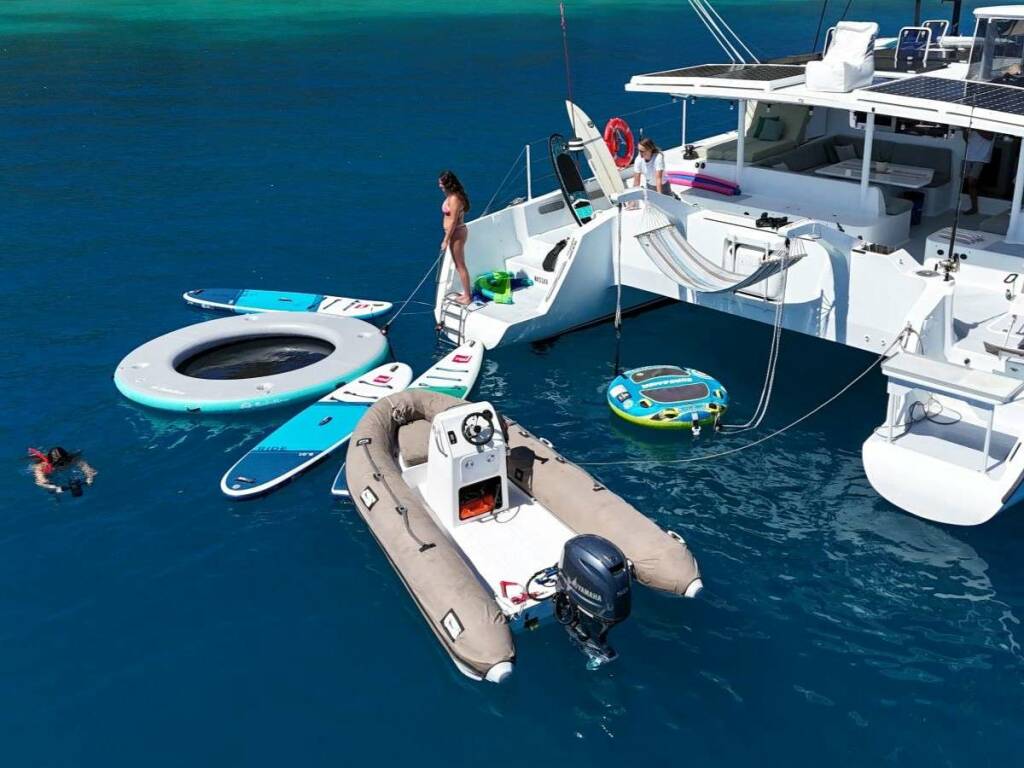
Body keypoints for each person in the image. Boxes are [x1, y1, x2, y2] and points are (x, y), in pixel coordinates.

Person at [439, 170, 472, 305]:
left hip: (456, 233)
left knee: (460, 265)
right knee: (459, 265)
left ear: (447, 184)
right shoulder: (451, 196)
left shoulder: (454, 199)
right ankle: (466, 294)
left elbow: (453, 221)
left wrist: (446, 239)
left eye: (441, 183)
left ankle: (467, 297)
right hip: (455, 233)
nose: (439, 185)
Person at [29, 446, 96, 495]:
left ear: (68, 458)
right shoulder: (41, 466)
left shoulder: (72, 459)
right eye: (59, 464)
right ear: (51, 463)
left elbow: (88, 469)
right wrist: (53, 487)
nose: (63, 465)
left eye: (65, 461)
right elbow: (40, 482)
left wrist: (90, 478)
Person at [962, 128, 995, 216]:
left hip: (981, 157)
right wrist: (964, 130)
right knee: (965, 181)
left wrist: (976, 129)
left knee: (971, 181)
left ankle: (974, 208)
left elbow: (990, 137)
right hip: (969, 155)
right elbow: (966, 138)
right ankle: (973, 207)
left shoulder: (988, 124)